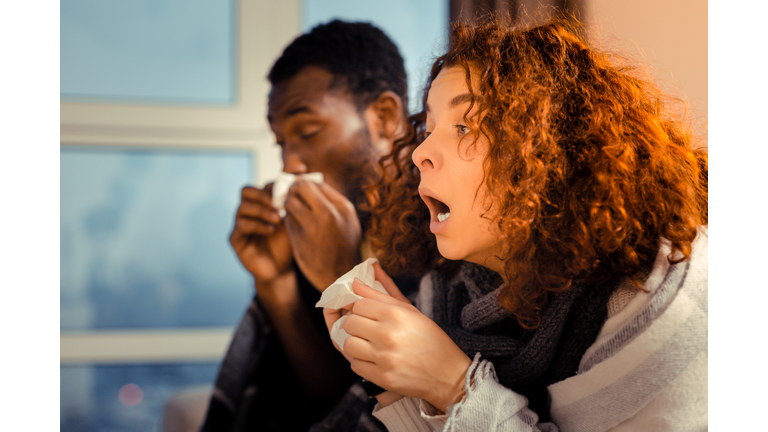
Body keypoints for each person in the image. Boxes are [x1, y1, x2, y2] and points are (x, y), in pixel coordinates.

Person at [323, 16, 708, 431]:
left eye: (465, 126)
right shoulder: (446, 294)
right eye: (428, 129)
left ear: (550, 151)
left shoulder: (665, 292)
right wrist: (397, 380)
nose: (420, 154)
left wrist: (455, 386)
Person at [199, 20, 418, 432]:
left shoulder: (449, 236)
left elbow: (409, 419)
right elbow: (325, 411)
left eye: (308, 132)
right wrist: (277, 287)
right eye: (281, 141)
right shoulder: (306, 246)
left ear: (385, 118)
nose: (290, 165)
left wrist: (342, 277)